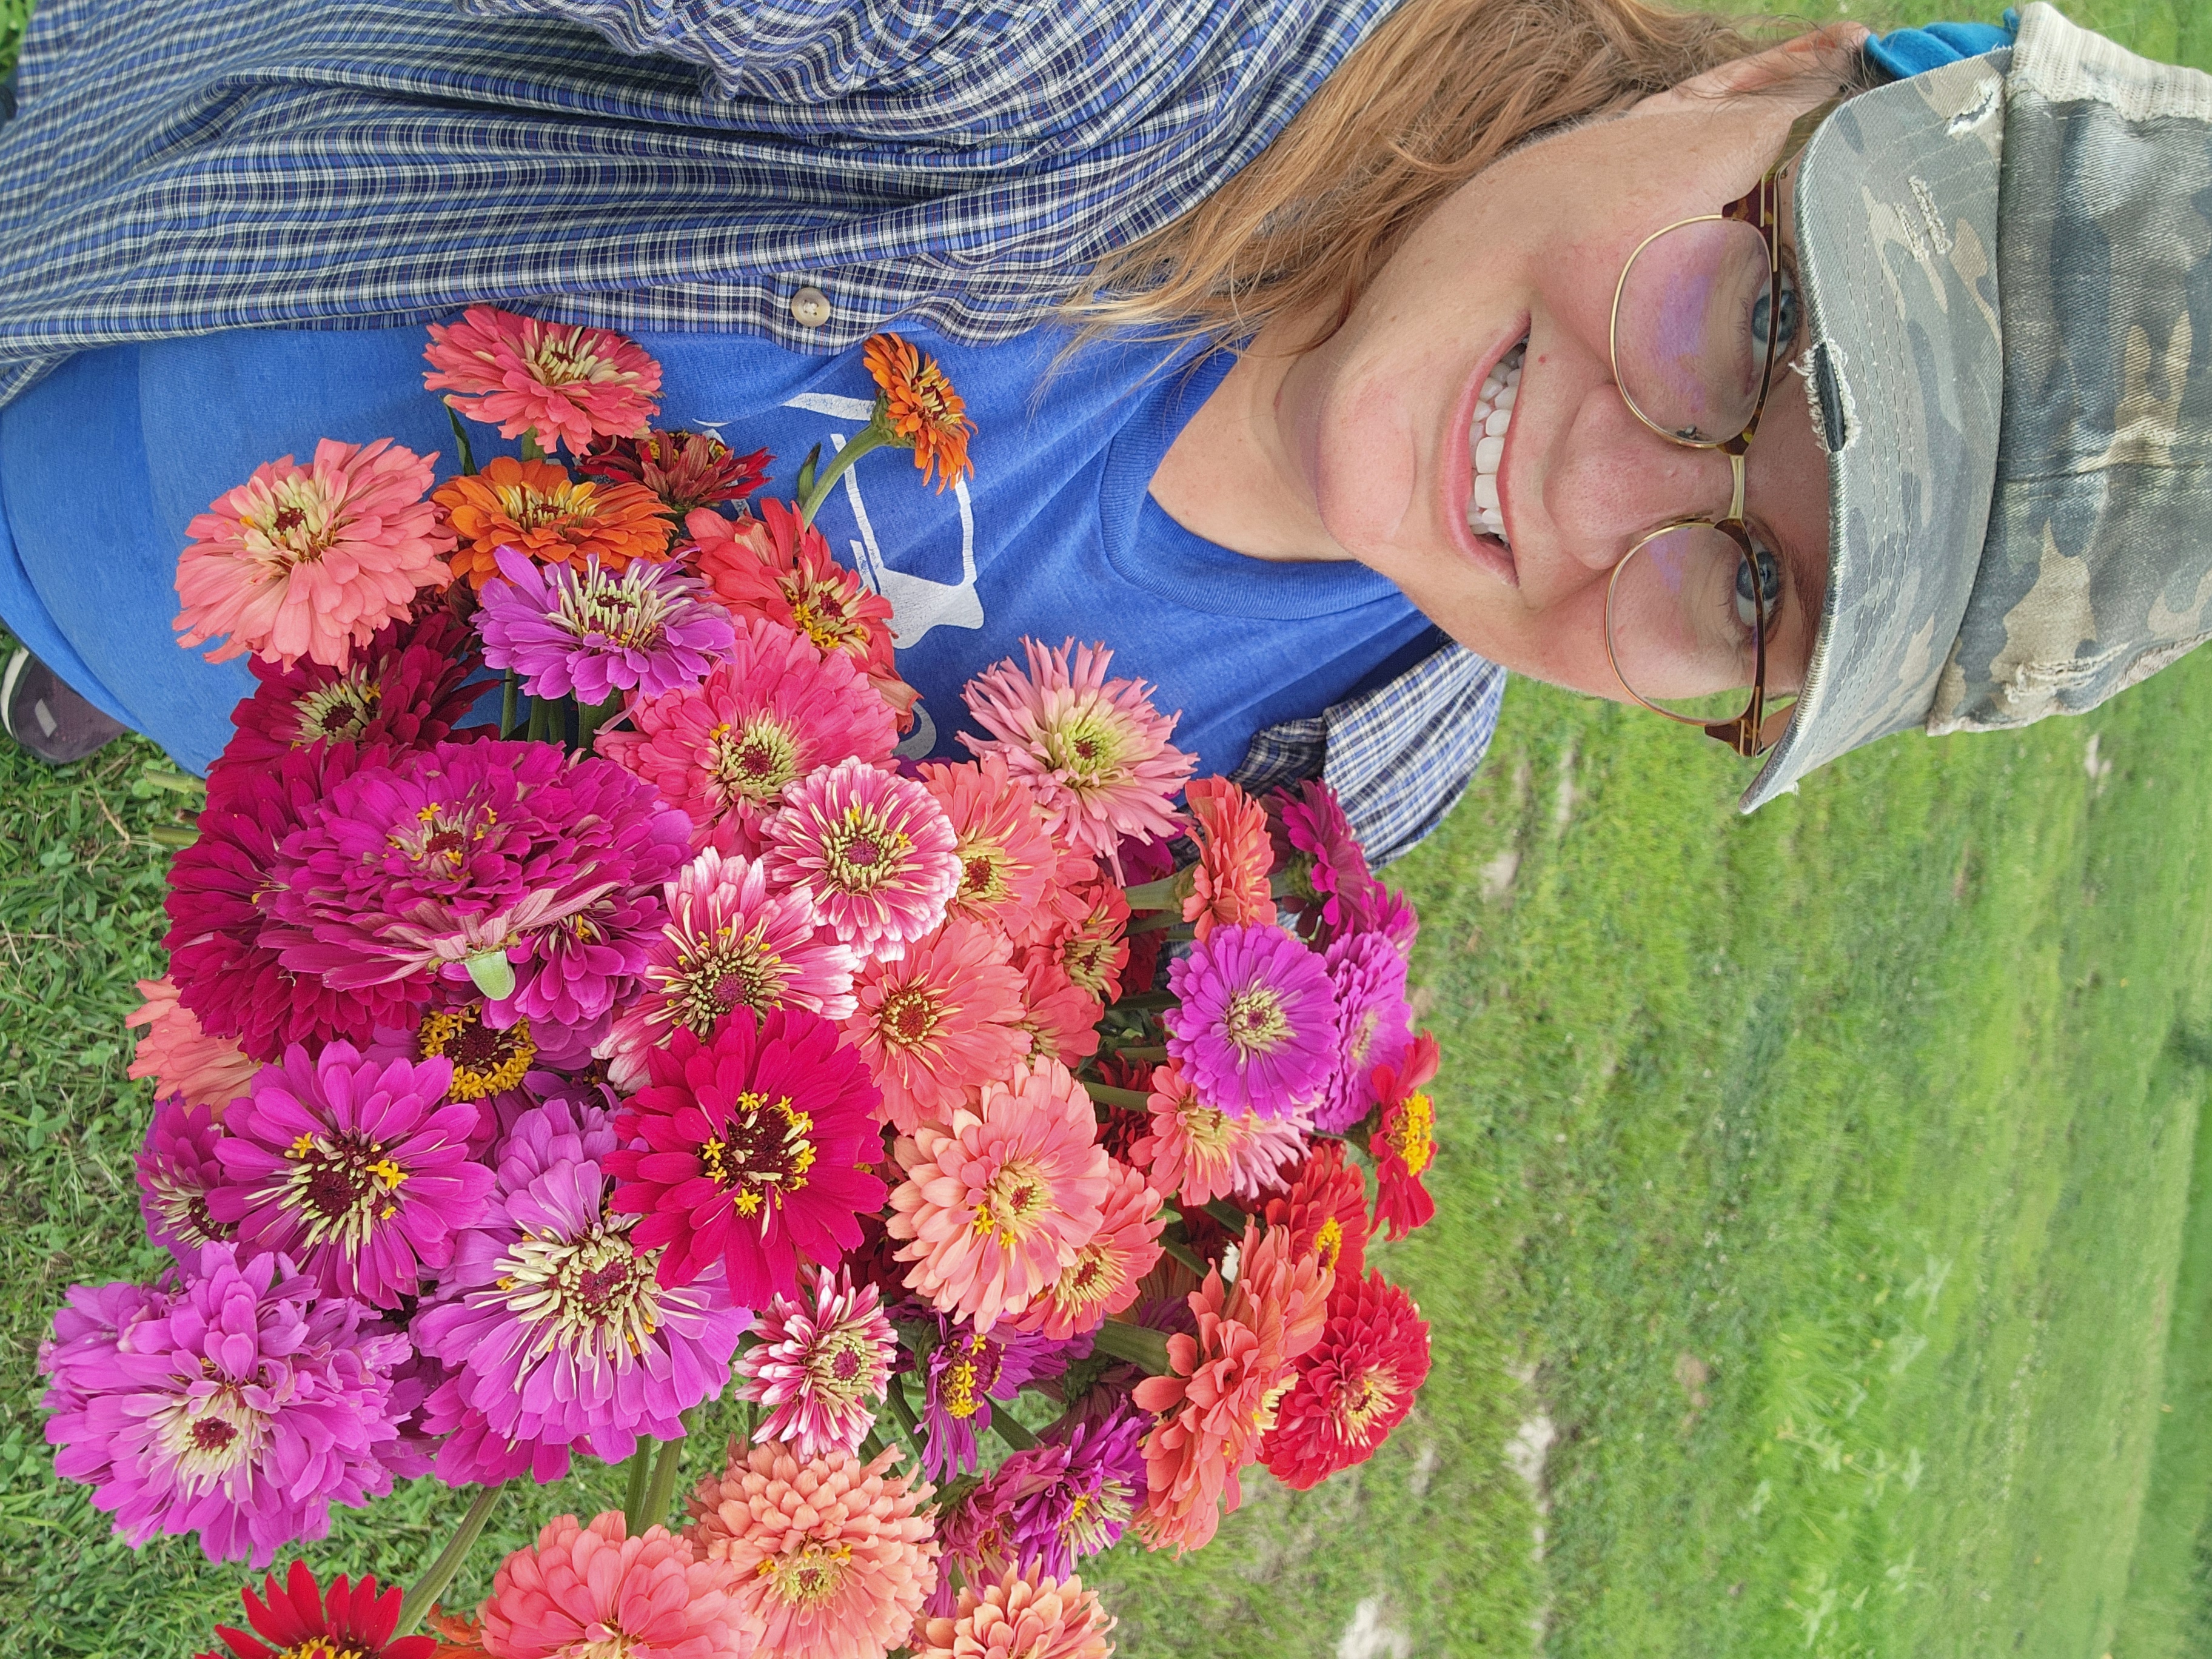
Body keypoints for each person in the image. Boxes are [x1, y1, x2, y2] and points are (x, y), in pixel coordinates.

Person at [0, 0, 2202, 866]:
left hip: (237, 688)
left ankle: (100, 650)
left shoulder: (1339, 791)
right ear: (1765, 78)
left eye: (1755, 585)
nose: (1600, 491)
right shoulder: (1121, 46)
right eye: (1764, 324)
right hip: (74, 294)